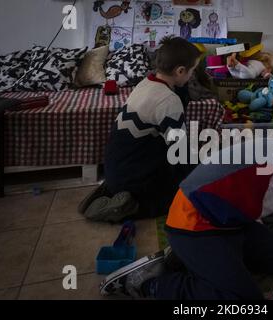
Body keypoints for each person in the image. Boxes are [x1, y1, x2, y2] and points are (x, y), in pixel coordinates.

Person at [100, 137, 273, 299]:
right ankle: (153, 285)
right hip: (193, 225)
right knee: (242, 300)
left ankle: (185, 260)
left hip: (232, 225)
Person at [82, 36, 201, 221]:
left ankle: (112, 191)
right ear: (180, 70)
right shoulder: (169, 101)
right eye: (192, 70)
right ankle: (129, 206)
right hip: (134, 178)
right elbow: (180, 154)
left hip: (118, 170)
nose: (192, 76)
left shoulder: (147, 83)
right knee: (185, 196)